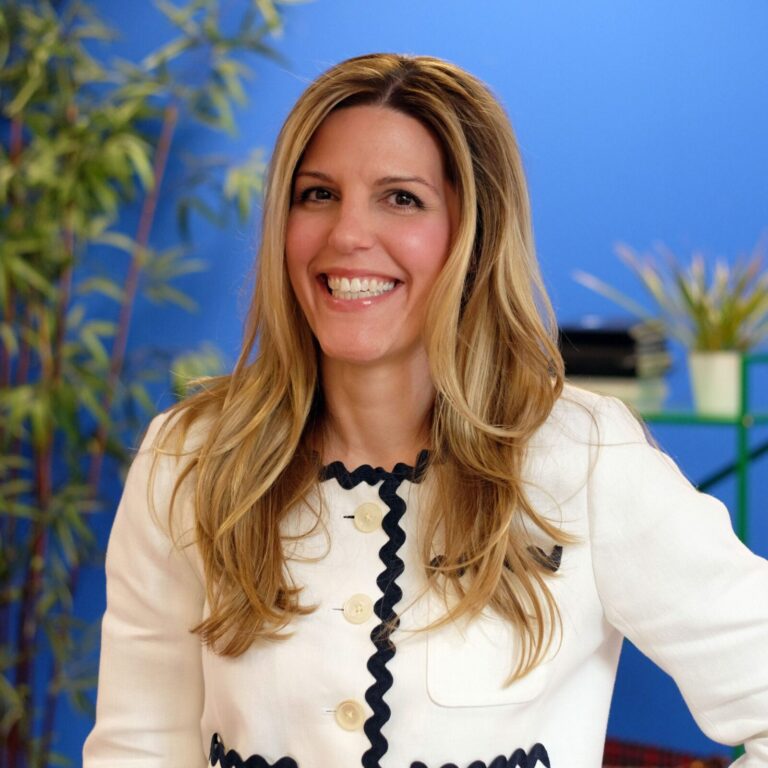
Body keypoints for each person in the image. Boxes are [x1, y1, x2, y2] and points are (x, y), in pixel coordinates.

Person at [83, 53, 768, 768]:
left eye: (401, 198)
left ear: (473, 236)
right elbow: (139, 749)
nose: (347, 234)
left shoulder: (586, 460)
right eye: (316, 194)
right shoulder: (188, 459)